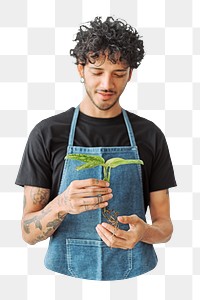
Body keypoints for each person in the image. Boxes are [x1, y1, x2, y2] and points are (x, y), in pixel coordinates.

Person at [16, 16, 176, 281]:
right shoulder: (47, 134)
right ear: (81, 69)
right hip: (64, 281)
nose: (107, 85)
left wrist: (143, 233)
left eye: (118, 74)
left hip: (137, 279)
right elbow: (27, 233)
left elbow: (165, 227)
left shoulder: (150, 135)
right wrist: (63, 203)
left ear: (130, 74)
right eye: (97, 72)